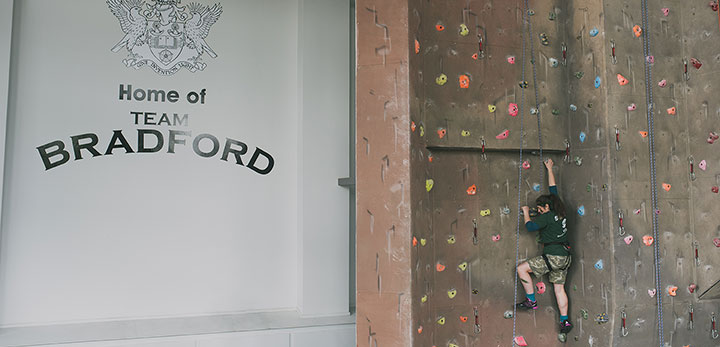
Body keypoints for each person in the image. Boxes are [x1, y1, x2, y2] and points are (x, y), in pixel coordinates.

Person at [516, 158, 573, 334]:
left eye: (539, 209)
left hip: (553, 256)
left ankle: (531, 300)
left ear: (546, 207)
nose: (538, 211)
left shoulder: (546, 217)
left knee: (521, 269)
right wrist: (549, 168)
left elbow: (530, 226)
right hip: (565, 257)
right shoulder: (560, 209)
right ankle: (565, 322)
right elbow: (553, 189)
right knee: (559, 288)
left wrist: (526, 213)